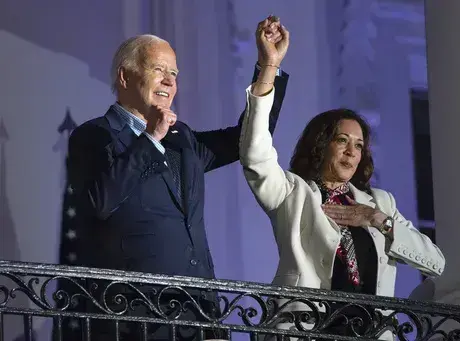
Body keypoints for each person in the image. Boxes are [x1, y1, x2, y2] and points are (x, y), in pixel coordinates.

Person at [57, 17, 289, 341]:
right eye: (158, 69)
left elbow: (246, 138)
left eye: (174, 73)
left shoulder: (183, 140)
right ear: (125, 76)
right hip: (136, 318)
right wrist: (150, 139)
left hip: (200, 315)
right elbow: (100, 201)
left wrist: (268, 67)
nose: (169, 80)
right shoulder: (95, 135)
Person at [239, 67, 445, 339]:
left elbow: (436, 264)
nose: (352, 151)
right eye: (342, 140)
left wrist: (378, 219)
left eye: (359, 145)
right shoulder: (293, 193)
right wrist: (268, 69)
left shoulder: (380, 203)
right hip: (309, 331)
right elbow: (256, 157)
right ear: (321, 145)